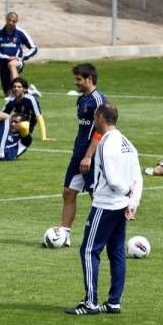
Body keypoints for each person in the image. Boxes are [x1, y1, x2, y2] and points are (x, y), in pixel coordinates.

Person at [65, 103, 143, 315]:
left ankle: (90, 303)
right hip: (121, 207)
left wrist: (125, 190)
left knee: (89, 251)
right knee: (116, 253)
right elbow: (138, 178)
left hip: (106, 205)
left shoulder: (107, 144)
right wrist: (132, 202)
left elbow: (112, 177)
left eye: (94, 117)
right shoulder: (127, 143)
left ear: (100, 117)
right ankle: (114, 302)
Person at [57, 63, 107, 246]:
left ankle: (102, 236)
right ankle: (64, 235)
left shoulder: (98, 99)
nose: (76, 82)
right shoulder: (81, 100)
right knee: (69, 192)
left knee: (97, 195)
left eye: (79, 79)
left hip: (92, 156)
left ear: (89, 79)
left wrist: (89, 155)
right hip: (78, 154)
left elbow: (100, 130)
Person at [0, 12, 38, 97]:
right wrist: (7, 57)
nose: (11, 23)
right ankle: (29, 91)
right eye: (9, 20)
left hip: (17, 62)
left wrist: (21, 57)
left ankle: (16, 96)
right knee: (7, 94)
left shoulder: (20, 33)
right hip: (3, 64)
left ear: (16, 22)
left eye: (13, 21)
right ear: (6, 20)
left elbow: (34, 48)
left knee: (12, 64)